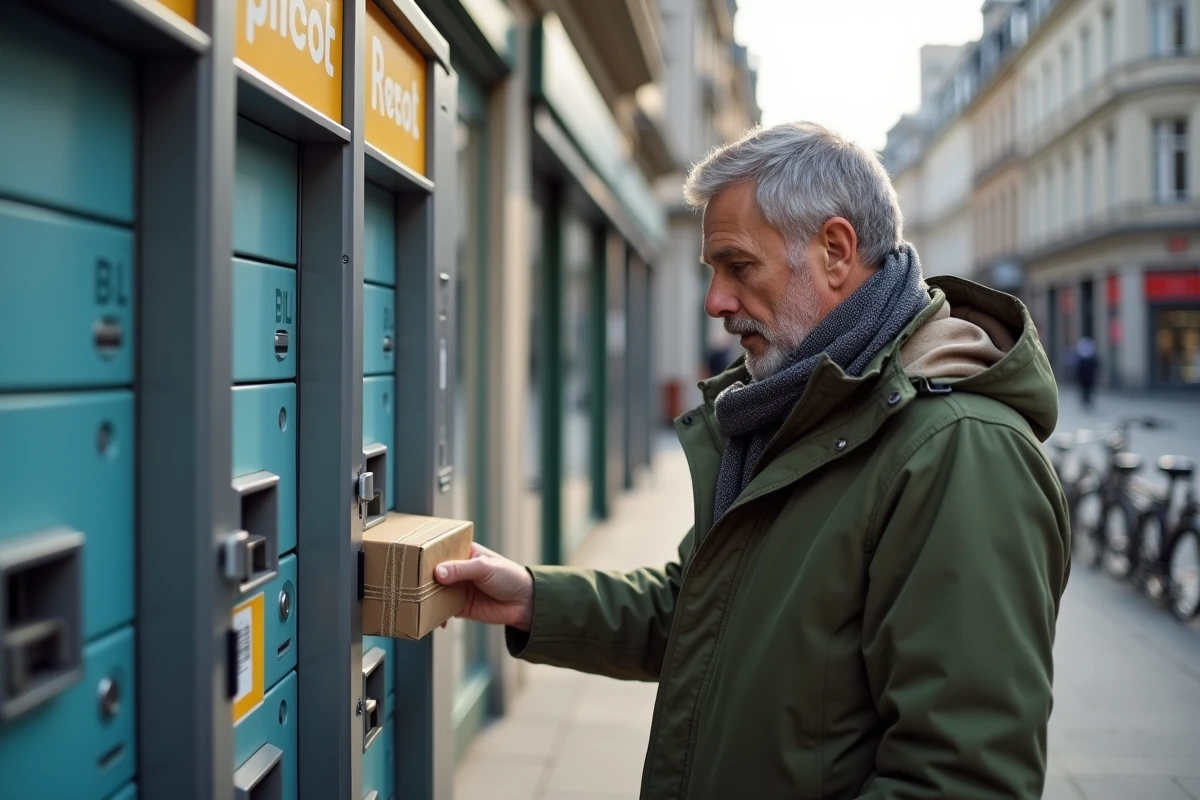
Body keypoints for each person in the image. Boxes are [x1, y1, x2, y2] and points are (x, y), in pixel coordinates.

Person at [435, 122, 1070, 799]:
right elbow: (701, 609)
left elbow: (963, 781)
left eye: (738, 266)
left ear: (834, 250)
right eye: (713, 272)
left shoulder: (958, 449)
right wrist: (535, 600)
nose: (716, 302)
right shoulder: (802, 408)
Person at [1075, 336, 1099, 409]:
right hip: (1086, 378)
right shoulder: (1083, 358)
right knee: (1085, 390)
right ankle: (1086, 401)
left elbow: (1096, 367)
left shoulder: (1087, 358)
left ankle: (1087, 400)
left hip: (1088, 378)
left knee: (1087, 390)